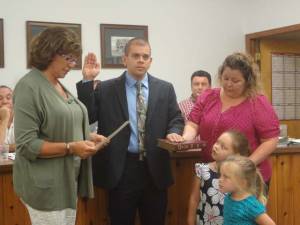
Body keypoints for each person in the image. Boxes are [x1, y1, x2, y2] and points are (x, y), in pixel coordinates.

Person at [76, 37, 184, 225]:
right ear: (124, 60)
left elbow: (176, 118)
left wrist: (173, 131)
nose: (141, 60)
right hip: (121, 169)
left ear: (151, 61)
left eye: (145, 56)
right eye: (135, 56)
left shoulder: (165, 89)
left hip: (155, 170)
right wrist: (87, 80)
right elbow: (88, 116)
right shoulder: (106, 88)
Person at [13, 27, 108, 225]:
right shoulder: (29, 86)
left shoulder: (57, 84)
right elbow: (27, 144)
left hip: (66, 183)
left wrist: (88, 137)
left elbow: (58, 126)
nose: (72, 65)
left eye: (74, 59)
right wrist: (71, 147)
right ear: (50, 52)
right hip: (46, 188)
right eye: (69, 58)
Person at [181, 52, 280, 185]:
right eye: (225, 78)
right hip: (213, 172)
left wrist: (246, 164)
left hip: (246, 177)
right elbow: (193, 124)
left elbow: (270, 140)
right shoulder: (208, 96)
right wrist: (185, 139)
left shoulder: (257, 102)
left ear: (248, 81)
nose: (228, 84)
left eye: (235, 81)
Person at [187, 130, 250, 225]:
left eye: (223, 147)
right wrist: (190, 221)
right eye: (217, 142)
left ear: (236, 155)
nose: (216, 146)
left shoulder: (240, 176)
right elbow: (194, 199)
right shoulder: (202, 170)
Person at [219, 155, 276, 225]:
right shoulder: (228, 197)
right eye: (220, 175)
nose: (220, 180)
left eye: (226, 177)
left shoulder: (251, 205)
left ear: (242, 182)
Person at [0, 85, 15, 150]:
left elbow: (28, 146)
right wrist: (4, 119)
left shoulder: (24, 118)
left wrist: (5, 148)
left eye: (8, 98)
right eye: (0, 99)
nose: (5, 102)